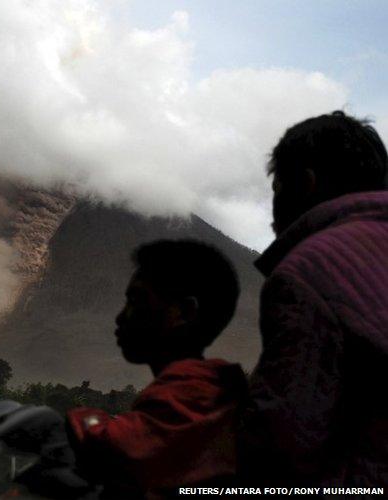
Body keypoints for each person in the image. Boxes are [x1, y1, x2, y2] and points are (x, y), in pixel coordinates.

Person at [240, 110, 388, 486]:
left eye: (276, 191)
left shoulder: (309, 271)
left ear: (305, 184)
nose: (272, 214)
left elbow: (277, 451)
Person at [66, 240, 247, 498]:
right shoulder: (211, 386)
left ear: (184, 313)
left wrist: (73, 421)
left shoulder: (194, 392)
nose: (120, 317)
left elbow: (118, 447)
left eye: (137, 300)